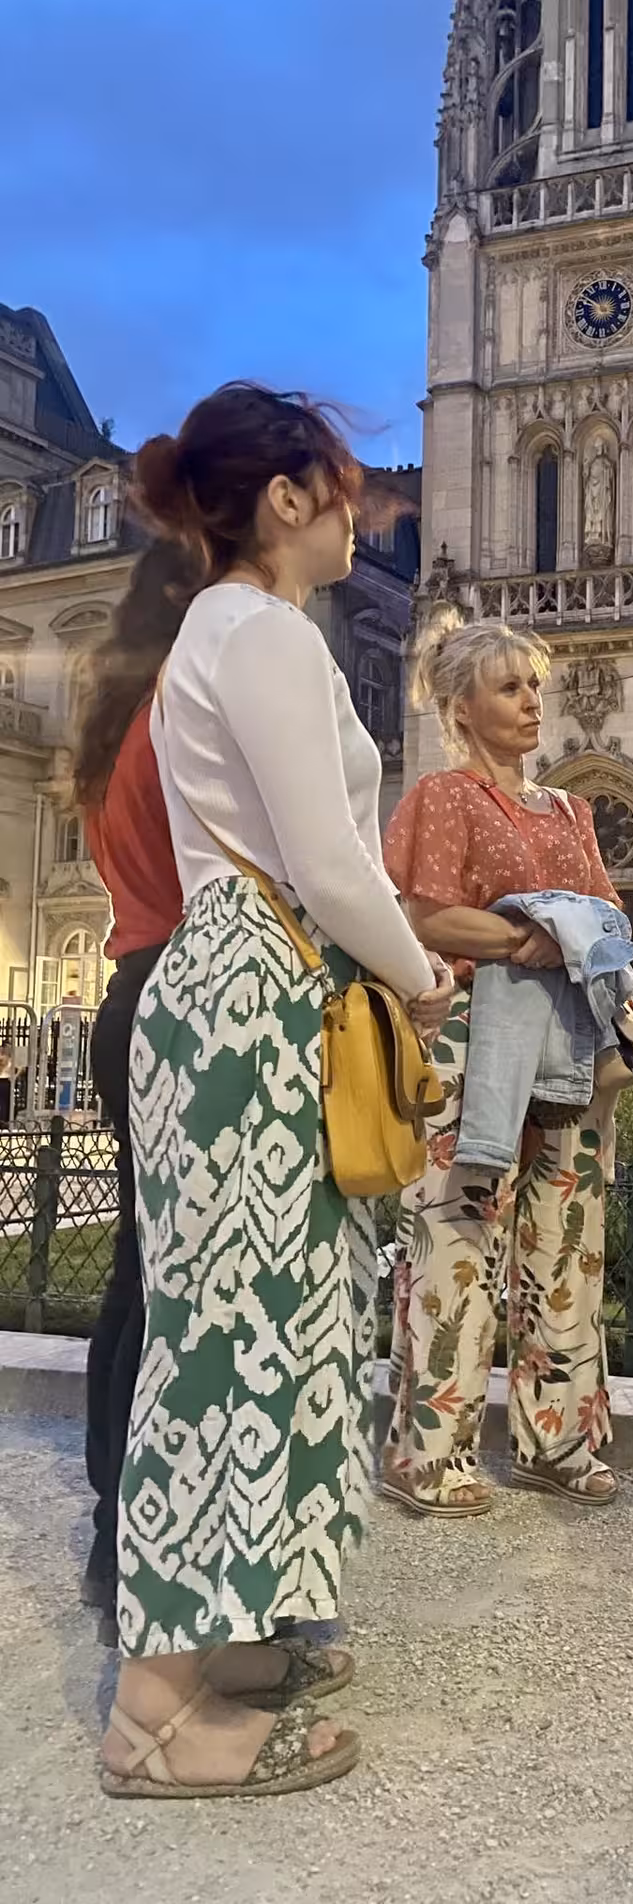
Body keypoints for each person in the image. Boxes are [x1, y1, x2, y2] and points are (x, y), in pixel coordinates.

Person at [99, 382, 452, 1800]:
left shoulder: (238, 630)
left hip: (238, 989)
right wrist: (421, 971)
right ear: (292, 494)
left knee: (262, 1325)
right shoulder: (261, 634)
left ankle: (224, 1639)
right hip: (254, 992)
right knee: (229, 1337)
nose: (364, 507)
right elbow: (325, 854)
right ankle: (152, 1717)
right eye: (347, 481)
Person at [381, 620, 623, 1517]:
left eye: (532, 685)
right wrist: (536, 937)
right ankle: (427, 1455)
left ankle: (555, 1440)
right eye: (510, 688)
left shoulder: (572, 810)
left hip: (570, 1042)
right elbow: (425, 915)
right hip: (475, 1040)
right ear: (461, 708)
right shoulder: (445, 797)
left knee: (567, 1247)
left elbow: (601, 923)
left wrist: (562, 943)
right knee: (457, 1243)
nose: (531, 702)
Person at [71, 539, 194, 1636]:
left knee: (133, 1277)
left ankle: (111, 1526)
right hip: (178, 994)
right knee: (167, 1287)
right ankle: (133, 1536)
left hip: (125, 987)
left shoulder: (114, 719)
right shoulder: (181, 711)